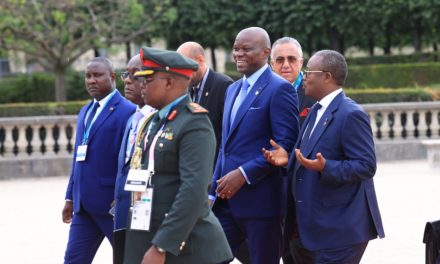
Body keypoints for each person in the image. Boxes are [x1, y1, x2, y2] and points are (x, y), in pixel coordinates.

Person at [263, 50, 385, 264]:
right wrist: (288, 157)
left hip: (340, 230)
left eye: (309, 71)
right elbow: (307, 157)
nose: (305, 75)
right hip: (309, 228)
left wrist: (326, 166)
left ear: (327, 76)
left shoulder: (351, 114)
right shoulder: (315, 111)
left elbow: (366, 165)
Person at [122, 47, 232, 264]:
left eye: (148, 79)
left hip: (186, 249)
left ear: (169, 83)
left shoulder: (194, 123)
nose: (141, 84)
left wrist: (162, 245)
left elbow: (193, 191)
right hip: (149, 233)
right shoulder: (153, 121)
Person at [209, 27, 299, 264]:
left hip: (262, 203)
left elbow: (284, 146)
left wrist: (243, 173)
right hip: (225, 202)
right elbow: (225, 147)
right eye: (236, 48)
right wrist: (211, 192)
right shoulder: (232, 89)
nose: (238, 54)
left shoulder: (280, 89)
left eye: (246, 49)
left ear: (265, 53)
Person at [62, 57, 136, 263]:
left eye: (97, 75)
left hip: (112, 206)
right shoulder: (85, 111)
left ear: (112, 77)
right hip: (83, 207)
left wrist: (124, 195)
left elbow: (131, 159)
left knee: (128, 259)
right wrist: (70, 197)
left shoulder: (127, 111)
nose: (91, 80)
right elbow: (78, 159)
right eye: (88, 76)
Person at [112, 54, 156, 263]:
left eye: (134, 75)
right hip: (123, 211)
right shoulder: (132, 118)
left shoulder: (160, 119)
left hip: (148, 214)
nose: (127, 81)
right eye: (125, 75)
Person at [176, 41, 233, 159]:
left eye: (184, 66)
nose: (181, 74)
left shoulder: (223, 85)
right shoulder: (189, 87)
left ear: (200, 60)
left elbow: (228, 133)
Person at [270, 37, 315, 126]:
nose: (286, 65)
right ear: (272, 64)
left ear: (301, 62)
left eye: (291, 59)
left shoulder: (316, 91)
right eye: (280, 60)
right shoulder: (262, 91)